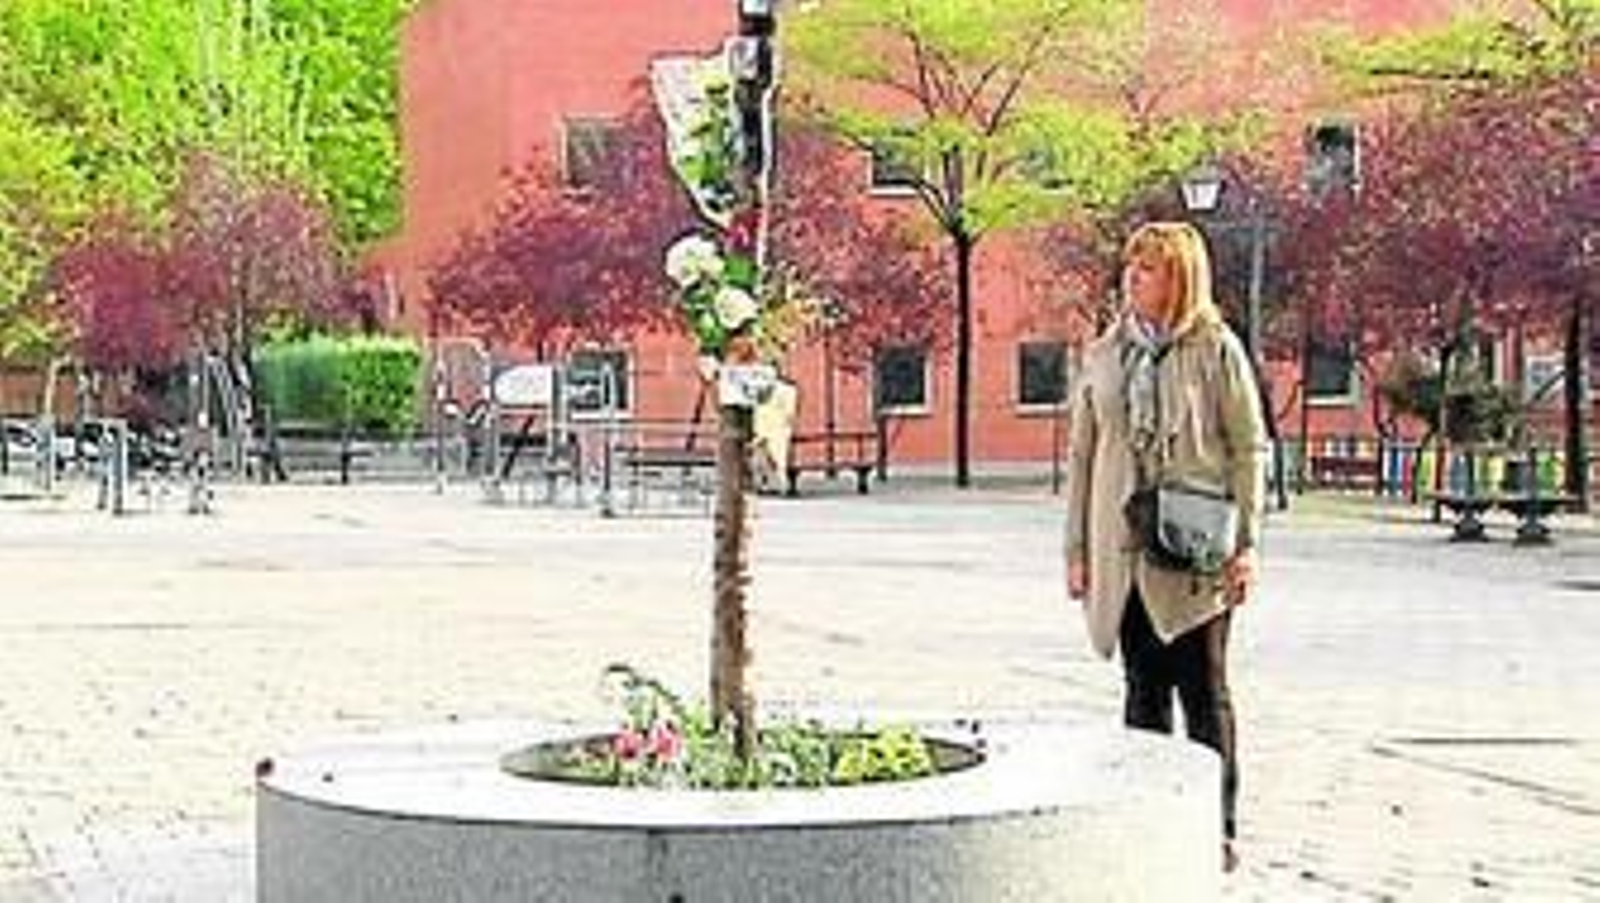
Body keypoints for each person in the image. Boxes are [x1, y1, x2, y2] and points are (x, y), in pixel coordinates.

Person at [1064, 221, 1267, 873]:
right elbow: (1083, 455)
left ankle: (1218, 827)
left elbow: (1248, 447)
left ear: (1178, 278)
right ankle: (1143, 818)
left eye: (1147, 269)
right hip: (1122, 546)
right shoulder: (1104, 353)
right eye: (1130, 267)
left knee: (1203, 692)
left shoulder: (1216, 348)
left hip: (1195, 550)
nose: (1132, 279)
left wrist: (1247, 543)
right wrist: (1076, 548)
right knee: (1141, 688)